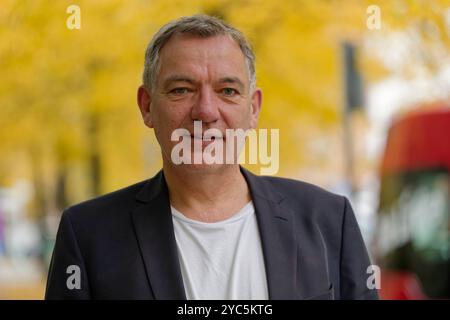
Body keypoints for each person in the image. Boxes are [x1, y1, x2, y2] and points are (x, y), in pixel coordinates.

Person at [45, 14, 378, 300]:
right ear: (147, 106)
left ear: (253, 109)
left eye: (228, 91)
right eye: (181, 90)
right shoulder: (88, 236)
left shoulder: (330, 222)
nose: (205, 111)